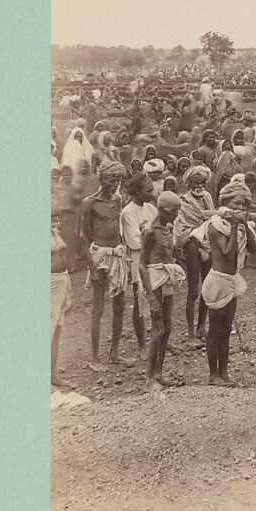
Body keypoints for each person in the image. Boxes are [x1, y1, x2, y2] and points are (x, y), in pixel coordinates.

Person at [201, 175, 256, 386]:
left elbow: (255, 251)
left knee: (226, 330)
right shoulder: (215, 225)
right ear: (225, 203)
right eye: (236, 203)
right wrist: (236, 226)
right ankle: (213, 374)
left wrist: (246, 226)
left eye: (244, 204)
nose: (241, 207)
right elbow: (227, 253)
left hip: (232, 280)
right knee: (215, 330)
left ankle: (224, 373)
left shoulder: (242, 225)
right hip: (218, 281)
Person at [81, 160, 132, 371]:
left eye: (118, 180)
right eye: (111, 179)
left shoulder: (119, 199)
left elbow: (117, 228)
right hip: (99, 256)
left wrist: (123, 252)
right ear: (101, 179)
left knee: (119, 305)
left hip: (117, 254)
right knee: (98, 307)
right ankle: (94, 358)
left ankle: (114, 354)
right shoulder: (90, 202)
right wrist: (92, 267)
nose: (115, 184)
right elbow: (83, 236)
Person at [138, 191, 187, 391]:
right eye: (173, 211)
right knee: (157, 330)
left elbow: (168, 251)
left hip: (165, 276)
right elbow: (141, 265)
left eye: (178, 211)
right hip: (154, 279)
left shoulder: (169, 226)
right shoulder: (149, 231)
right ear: (161, 209)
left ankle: (159, 373)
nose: (176, 215)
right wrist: (150, 296)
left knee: (167, 328)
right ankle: (149, 378)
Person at [174, 164, 214, 346]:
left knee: (207, 286)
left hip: (207, 241)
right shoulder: (183, 202)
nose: (199, 186)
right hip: (191, 242)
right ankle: (190, 333)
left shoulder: (207, 197)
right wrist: (196, 233)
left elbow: (212, 219)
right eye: (195, 183)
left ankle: (201, 327)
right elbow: (180, 227)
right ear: (189, 184)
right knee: (193, 289)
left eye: (202, 183)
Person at [120, 172, 158, 361]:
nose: (152, 193)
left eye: (152, 189)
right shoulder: (128, 212)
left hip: (156, 256)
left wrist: (150, 235)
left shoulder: (151, 208)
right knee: (140, 300)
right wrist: (152, 238)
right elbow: (135, 241)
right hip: (139, 259)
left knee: (159, 296)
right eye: (148, 190)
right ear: (135, 191)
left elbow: (161, 231)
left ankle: (158, 338)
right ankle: (142, 344)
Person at [50, 205, 74, 388]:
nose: (56, 222)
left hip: (62, 280)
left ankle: (52, 374)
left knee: (57, 330)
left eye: (57, 218)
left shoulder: (56, 233)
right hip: (50, 283)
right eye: (52, 218)